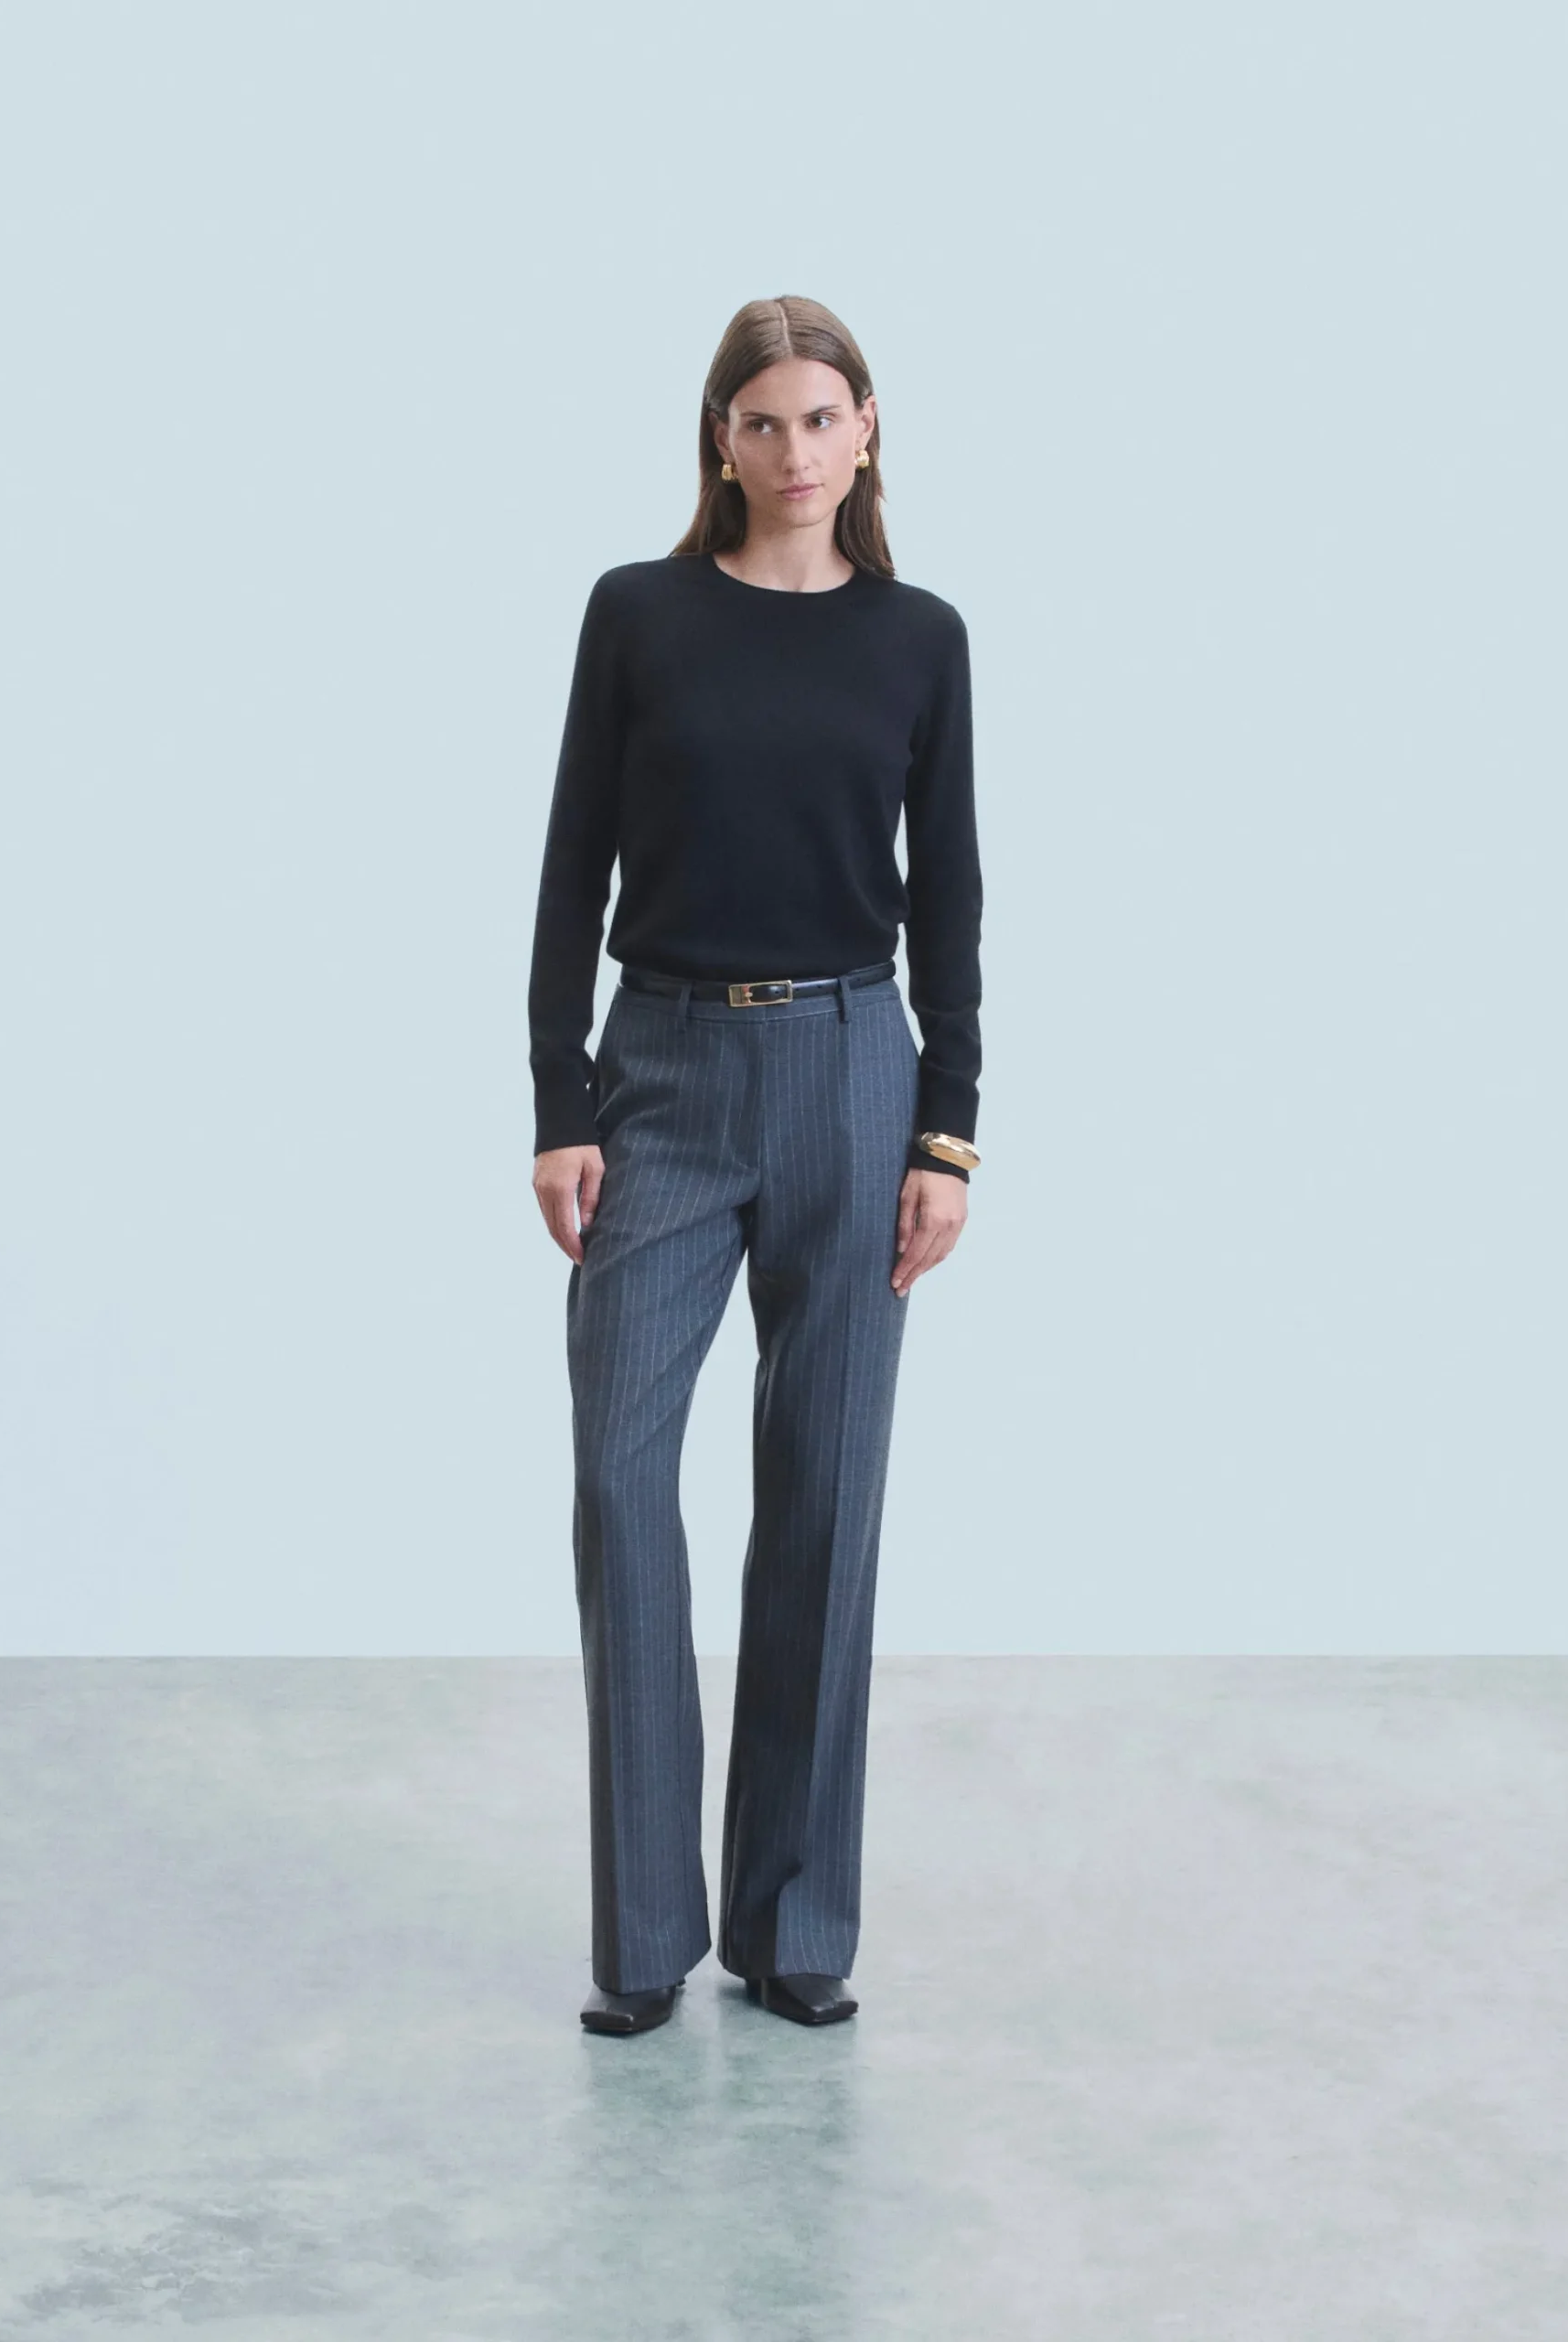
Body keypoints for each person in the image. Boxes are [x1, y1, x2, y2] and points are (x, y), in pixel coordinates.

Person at [526, 294, 983, 2036]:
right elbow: (572, 863)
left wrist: (946, 1132)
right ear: (719, 439)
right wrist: (560, 1102)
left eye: (823, 418)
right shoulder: (638, 615)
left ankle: (794, 1925)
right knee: (619, 1479)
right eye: (763, 420)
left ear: (869, 432)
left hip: (857, 1072)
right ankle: (645, 1934)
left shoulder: (919, 638)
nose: (796, 451)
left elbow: (950, 896)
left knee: (825, 1494)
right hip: (660, 1071)